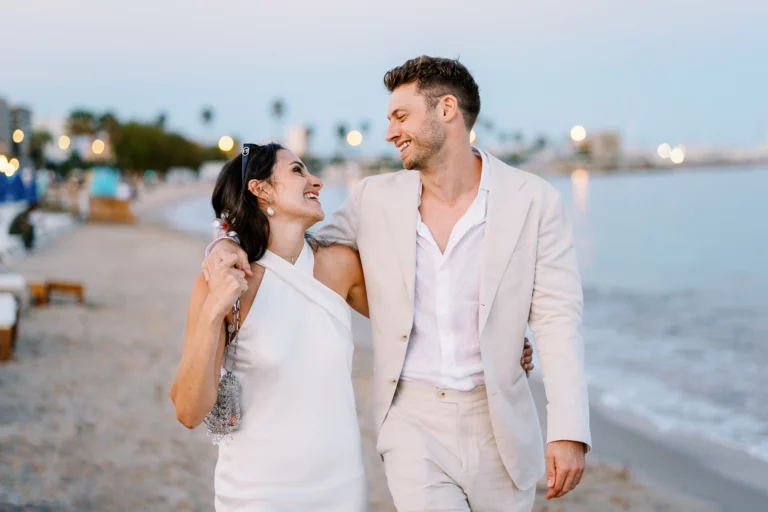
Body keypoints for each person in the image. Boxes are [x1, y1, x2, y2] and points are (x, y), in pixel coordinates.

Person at [205, 56, 590, 512]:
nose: (390, 132)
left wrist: (567, 429)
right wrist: (222, 240)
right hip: (411, 421)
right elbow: (292, 239)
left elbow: (557, 318)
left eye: (401, 116)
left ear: (447, 110)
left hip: (501, 419)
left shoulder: (535, 201)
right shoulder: (375, 198)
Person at [173, 142, 535, 511]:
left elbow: (418, 320)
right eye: (297, 171)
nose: (316, 181)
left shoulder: (341, 266)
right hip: (255, 490)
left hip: (340, 487)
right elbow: (188, 411)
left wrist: (499, 340)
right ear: (261, 189)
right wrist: (212, 311)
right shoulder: (225, 280)